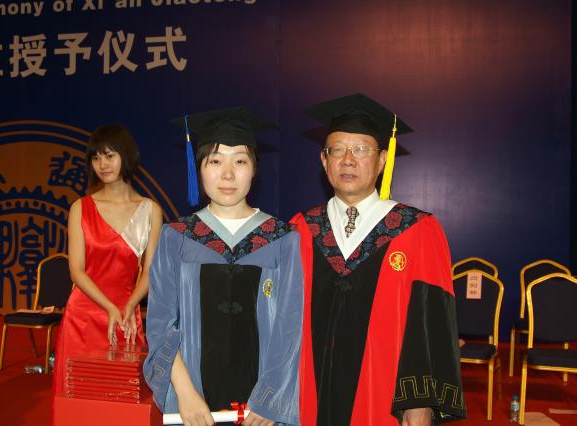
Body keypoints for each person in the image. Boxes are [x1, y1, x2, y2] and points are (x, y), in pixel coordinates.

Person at [290, 94, 466, 426]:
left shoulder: (417, 230)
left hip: (383, 399)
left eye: (361, 149)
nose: (348, 160)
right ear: (324, 160)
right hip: (308, 396)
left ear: (383, 159)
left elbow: (431, 326)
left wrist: (419, 404)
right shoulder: (300, 229)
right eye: (337, 150)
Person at [144, 107, 303, 426]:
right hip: (194, 405)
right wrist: (186, 395)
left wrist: (270, 400)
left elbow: (292, 327)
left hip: (263, 410)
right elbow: (161, 324)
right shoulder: (177, 237)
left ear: (254, 169)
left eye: (240, 161)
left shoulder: (283, 239)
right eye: (215, 161)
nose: (227, 174)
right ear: (199, 168)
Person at [52, 124, 163, 400]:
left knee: (121, 399)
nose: (103, 164)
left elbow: (151, 271)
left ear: (127, 156)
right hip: (83, 318)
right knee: (77, 399)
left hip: (125, 316)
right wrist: (109, 307)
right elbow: (77, 271)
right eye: (96, 157)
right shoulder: (80, 208)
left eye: (110, 156)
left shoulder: (150, 210)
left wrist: (130, 305)